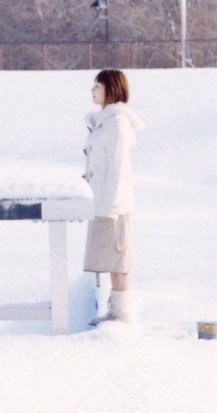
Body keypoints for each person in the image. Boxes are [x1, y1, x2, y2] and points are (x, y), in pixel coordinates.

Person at [82, 69, 146, 324]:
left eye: (97, 86)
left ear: (111, 88)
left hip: (113, 205)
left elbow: (119, 168)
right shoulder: (104, 121)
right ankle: (116, 310)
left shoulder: (118, 123)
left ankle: (122, 313)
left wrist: (111, 207)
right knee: (110, 259)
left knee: (118, 259)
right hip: (102, 201)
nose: (92, 91)